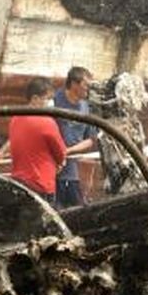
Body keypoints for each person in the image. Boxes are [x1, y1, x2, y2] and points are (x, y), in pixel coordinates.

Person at [8, 77, 66, 202]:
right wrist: (60, 162)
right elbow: (61, 153)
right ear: (34, 98)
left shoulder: (15, 118)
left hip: (18, 182)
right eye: (48, 98)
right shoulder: (47, 122)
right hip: (41, 184)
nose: (51, 103)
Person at [53, 66, 96, 207]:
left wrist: (68, 151)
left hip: (73, 170)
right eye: (86, 85)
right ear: (73, 84)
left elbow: (90, 140)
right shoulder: (55, 100)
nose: (88, 89)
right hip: (52, 168)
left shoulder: (86, 107)